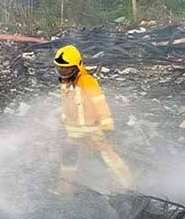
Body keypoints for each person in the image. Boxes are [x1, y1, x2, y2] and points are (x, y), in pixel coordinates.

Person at [54, 44, 133, 193]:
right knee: (69, 156)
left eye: (67, 69)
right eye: (60, 69)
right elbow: (67, 103)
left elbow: (99, 102)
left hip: (92, 128)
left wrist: (107, 123)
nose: (63, 73)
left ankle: (127, 184)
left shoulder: (87, 81)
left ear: (77, 66)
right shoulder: (65, 83)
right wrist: (64, 117)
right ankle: (64, 187)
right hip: (74, 129)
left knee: (106, 156)